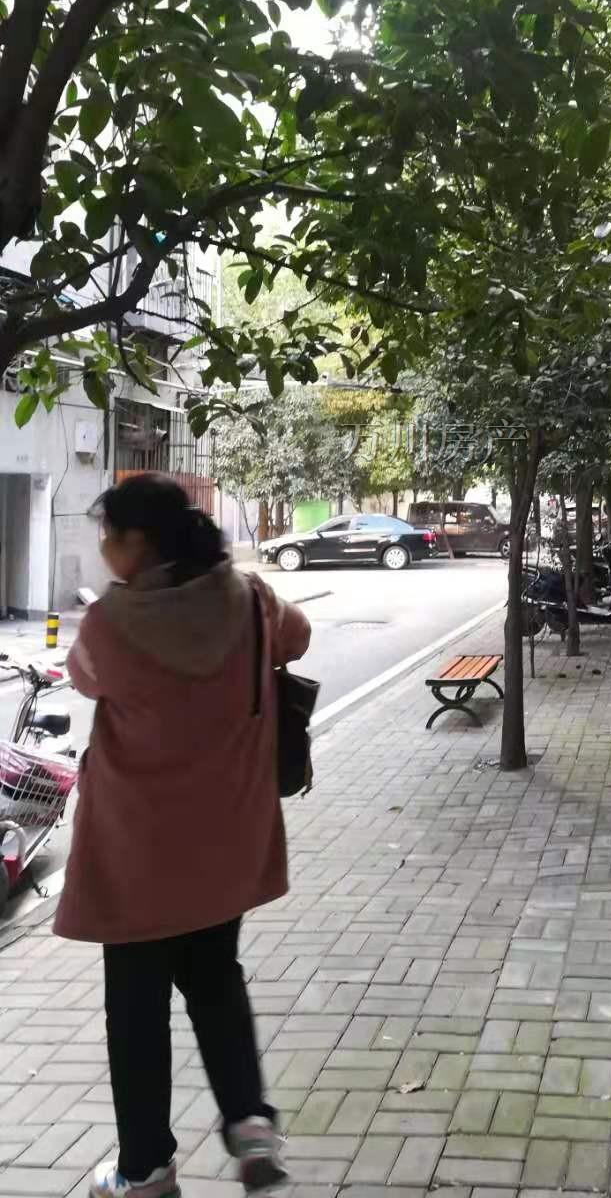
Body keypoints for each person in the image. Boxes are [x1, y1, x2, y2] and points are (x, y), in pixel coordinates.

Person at [56, 474, 311, 1198]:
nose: (104, 547)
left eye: (109, 534)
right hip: (224, 841)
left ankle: (146, 1170)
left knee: (136, 1009)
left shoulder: (110, 622)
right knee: (215, 980)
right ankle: (250, 1124)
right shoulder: (249, 597)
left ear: (139, 542)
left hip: (135, 851)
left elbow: (83, 679)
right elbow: (297, 636)